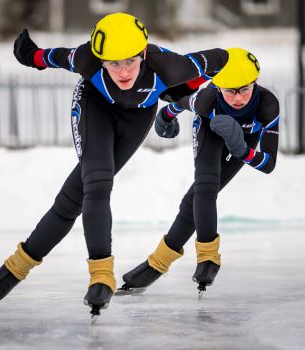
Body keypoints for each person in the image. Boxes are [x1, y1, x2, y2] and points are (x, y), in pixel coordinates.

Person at [0, 12, 229, 316]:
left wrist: (189, 90)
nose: (123, 70)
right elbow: (57, 57)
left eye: (129, 60)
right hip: (94, 106)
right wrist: (31, 56)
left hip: (137, 116)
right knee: (98, 183)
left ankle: (14, 269)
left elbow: (222, 59)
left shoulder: (171, 66)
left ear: (143, 53)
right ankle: (101, 276)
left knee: (72, 199)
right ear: (101, 60)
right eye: (113, 63)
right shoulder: (87, 59)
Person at [120, 48, 280, 295]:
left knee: (193, 201)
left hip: (244, 142)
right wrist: (166, 116)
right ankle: (208, 258)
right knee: (205, 186)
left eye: (245, 89)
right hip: (210, 129)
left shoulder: (268, 105)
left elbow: (268, 164)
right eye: (230, 91)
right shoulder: (208, 100)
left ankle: (157, 264)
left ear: (255, 84)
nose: (238, 98)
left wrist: (242, 150)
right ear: (218, 88)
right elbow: (183, 101)